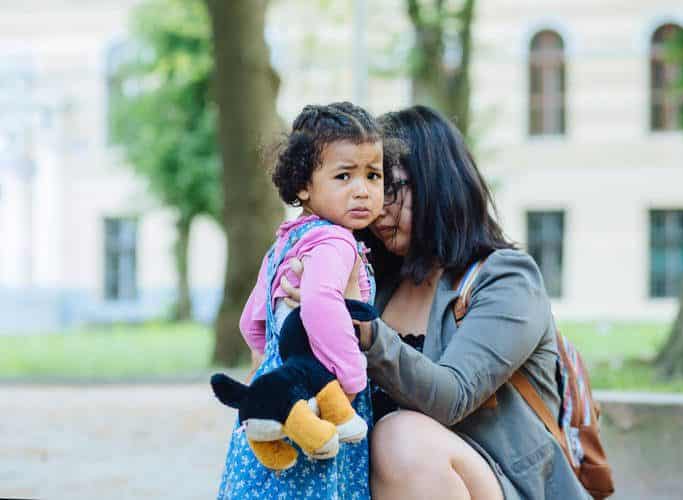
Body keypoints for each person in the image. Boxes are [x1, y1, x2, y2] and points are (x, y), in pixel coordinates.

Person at [281, 105, 592, 499]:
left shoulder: (506, 280)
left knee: (401, 438)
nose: (377, 204)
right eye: (368, 183)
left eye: (388, 185)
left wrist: (361, 327)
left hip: (509, 485)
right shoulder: (374, 281)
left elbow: (452, 397)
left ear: (438, 185)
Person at [216, 102, 391, 499]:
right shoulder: (336, 241)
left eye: (373, 175)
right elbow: (319, 302)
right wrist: (349, 377)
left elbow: (252, 321)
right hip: (319, 398)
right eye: (344, 176)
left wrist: (265, 368)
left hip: (278, 391)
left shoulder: (287, 240)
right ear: (302, 185)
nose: (362, 189)